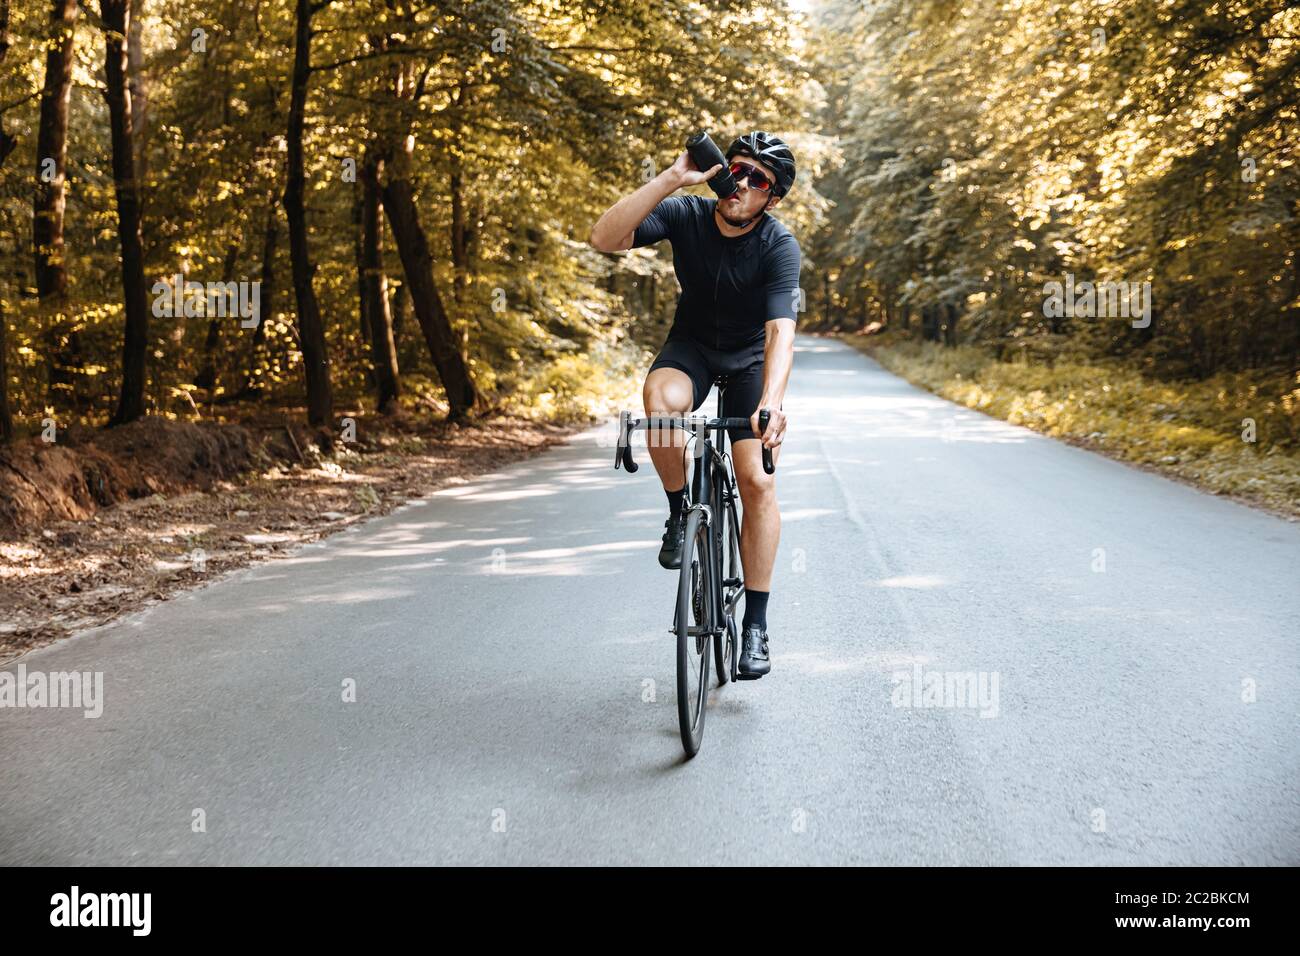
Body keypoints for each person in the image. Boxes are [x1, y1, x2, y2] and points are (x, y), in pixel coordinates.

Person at [589, 131, 801, 679]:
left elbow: (780, 330)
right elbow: (603, 238)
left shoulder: (778, 245)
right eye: (736, 169)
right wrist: (671, 178)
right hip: (693, 351)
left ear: (771, 198)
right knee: (661, 401)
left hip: (749, 362)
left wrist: (772, 404)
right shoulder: (684, 213)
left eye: (758, 179)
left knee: (757, 480)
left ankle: (755, 625)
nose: (742, 183)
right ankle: (681, 511)